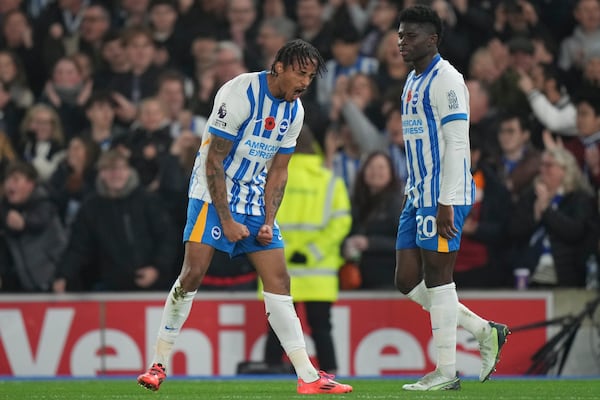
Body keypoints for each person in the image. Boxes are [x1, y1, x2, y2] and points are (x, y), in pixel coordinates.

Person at [136, 39, 352, 395]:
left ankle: (309, 378)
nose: (305, 83)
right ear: (278, 67)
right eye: (301, 73)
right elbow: (214, 161)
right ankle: (158, 364)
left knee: (280, 281)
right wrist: (226, 218)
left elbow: (279, 172)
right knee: (192, 274)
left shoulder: (295, 112)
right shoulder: (240, 93)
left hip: (253, 196)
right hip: (210, 193)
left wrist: (268, 219)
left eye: (311, 77)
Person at [394, 6, 510, 391]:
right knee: (407, 279)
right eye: (399, 35)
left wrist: (446, 201)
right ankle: (483, 329)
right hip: (418, 194)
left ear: (433, 39)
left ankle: (445, 372)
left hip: (444, 195)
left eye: (410, 36)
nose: (401, 42)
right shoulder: (412, 81)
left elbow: (458, 142)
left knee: (439, 278)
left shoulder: (447, 80)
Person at [260, 126, 351, 374]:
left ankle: (270, 376)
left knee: (277, 328)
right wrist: (313, 252)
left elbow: (260, 219)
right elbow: (341, 222)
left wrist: (285, 252)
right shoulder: (329, 181)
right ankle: (331, 375)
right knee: (321, 328)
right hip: (317, 271)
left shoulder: (271, 178)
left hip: (279, 265)